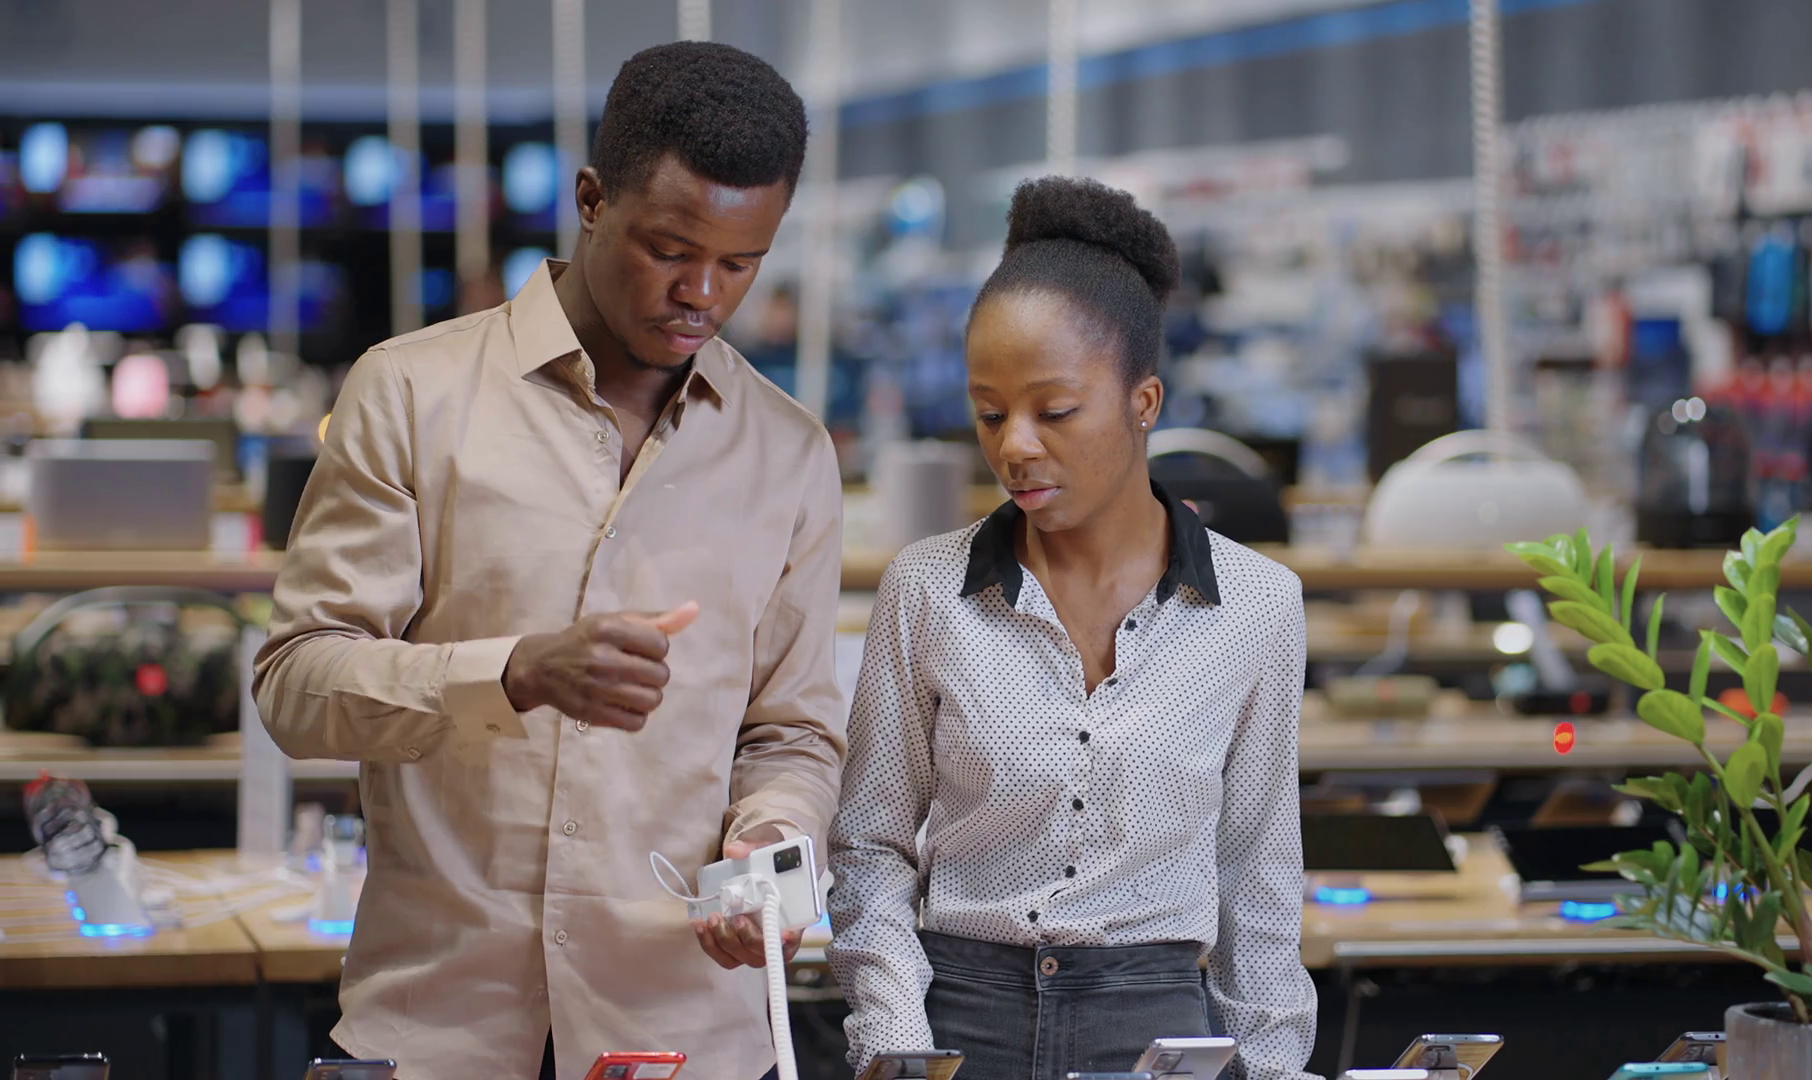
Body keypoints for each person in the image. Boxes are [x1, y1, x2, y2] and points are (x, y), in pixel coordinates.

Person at [254, 42, 844, 1080]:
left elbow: (791, 733)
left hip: (685, 1034)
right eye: (669, 249)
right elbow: (297, 685)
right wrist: (514, 673)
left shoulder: (789, 452)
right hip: (440, 1030)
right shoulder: (412, 394)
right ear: (591, 200)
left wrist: (770, 849)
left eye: (741, 263)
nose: (701, 293)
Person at [827, 177, 1319, 1080]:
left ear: (1144, 401)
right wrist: (896, 1043)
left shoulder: (1258, 605)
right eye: (989, 413)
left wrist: (1272, 1067)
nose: (1014, 445)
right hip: (958, 1019)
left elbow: (1257, 879)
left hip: (1159, 1026)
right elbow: (870, 847)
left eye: (1053, 412)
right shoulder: (926, 590)